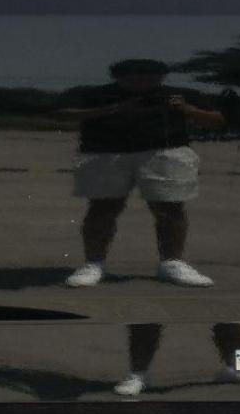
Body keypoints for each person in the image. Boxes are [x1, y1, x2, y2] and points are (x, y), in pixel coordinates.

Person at [61, 59, 224, 288]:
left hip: (165, 152)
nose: (142, 80)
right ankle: (94, 263)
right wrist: (113, 109)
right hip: (106, 153)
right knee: (102, 208)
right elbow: (62, 114)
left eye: (151, 75)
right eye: (133, 75)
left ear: (162, 76)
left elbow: (217, 119)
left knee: (170, 209)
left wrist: (188, 109)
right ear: (117, 76)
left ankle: (172, 262)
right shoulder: (94, 94)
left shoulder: (179, 95)